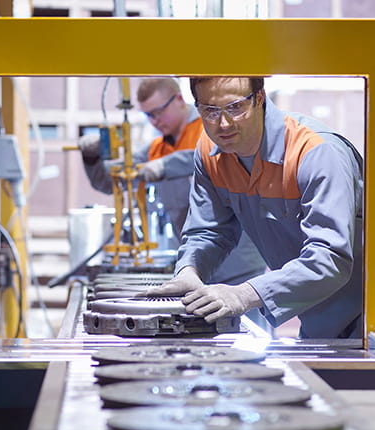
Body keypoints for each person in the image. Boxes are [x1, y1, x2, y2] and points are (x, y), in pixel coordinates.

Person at [146, 76, 375, 338]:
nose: (223, 124)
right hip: (319, 292)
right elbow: (209, 231)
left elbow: (330, 257)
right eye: (210, 111)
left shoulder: (315, 152)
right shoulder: (210, 154)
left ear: (259, 98)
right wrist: (189, 270)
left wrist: (244, 294)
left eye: (235, 108)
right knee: (323, 372)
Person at [77, 77, 267, 289]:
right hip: (196, 263)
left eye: (158, 112)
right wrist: (92, 158)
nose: (155, 121)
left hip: (238, 263)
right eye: (149, 115)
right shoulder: (156, 149)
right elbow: (114, 181)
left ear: (178, 99)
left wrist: (166, 165)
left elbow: (206, 154)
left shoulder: (214, 128)